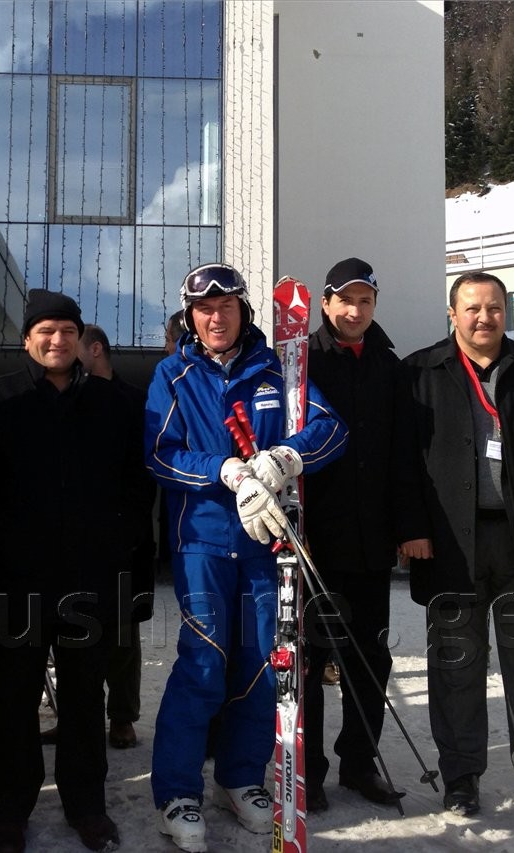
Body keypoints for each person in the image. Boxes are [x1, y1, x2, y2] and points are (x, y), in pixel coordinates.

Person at [146, 263, 347, 853]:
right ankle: (178, 791)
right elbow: (161, 454)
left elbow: (331, 428)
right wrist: (225, 470)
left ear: (243, 312)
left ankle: (240, 776)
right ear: (190, 316)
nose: (215, 317)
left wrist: (286, 456)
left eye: (226, 307)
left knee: (264, 663)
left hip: (268, 543)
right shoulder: (173, 374)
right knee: (204, 660)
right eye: (204, 309)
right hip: (204, 541)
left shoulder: (275, 369)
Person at [401, 271, 514, 821]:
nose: (485, 318)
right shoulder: (419, 372)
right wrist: (411, 528)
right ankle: (461, 777)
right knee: (456, 665)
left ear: (507, 311)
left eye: (495, 308)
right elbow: (403, 462)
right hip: (449, 542)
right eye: (473, 308)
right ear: (452, 314)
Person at [0, 291, 148, 853]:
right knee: (14, 699)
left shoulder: (116, 404)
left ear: (81, 340)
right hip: (19, 581)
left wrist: (131, 573)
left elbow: (137, 494)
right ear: (27, 338)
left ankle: (86, 805)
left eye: (67, 331)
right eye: (45, 330)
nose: (57, 340)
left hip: (92, 583)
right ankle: (9, 810)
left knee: (83, 697)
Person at [301, 257, 427, 812]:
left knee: (370, 658)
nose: (355, 310)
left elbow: (405, 456)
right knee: (308, 657)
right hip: (313, 542)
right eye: (344, 300)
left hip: (371, 540)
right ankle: (305, 769)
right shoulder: (297, 360)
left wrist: (409, 527)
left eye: (366, 301)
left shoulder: (388, 365)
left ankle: (358, 762)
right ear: (325, 303)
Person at [78, 324, 156, 752]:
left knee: (123, 633)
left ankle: (122, 717)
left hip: (126, 539)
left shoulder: (136, 402)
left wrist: (129, 527)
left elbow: (145, 477)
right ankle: (77, 715)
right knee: (78, 631)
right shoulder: (71, 398)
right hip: (80, 542)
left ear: (95, 350)